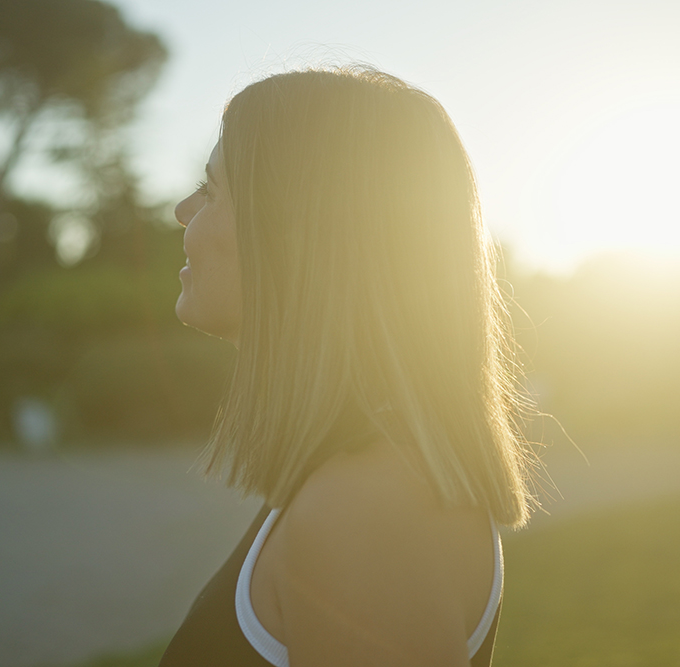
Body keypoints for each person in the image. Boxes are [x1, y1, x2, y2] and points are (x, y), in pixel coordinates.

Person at [160, 66, 535, 667]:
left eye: (211, 191)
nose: (182, 211)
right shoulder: (361, 482)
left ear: (291, 230)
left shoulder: (368, 509)